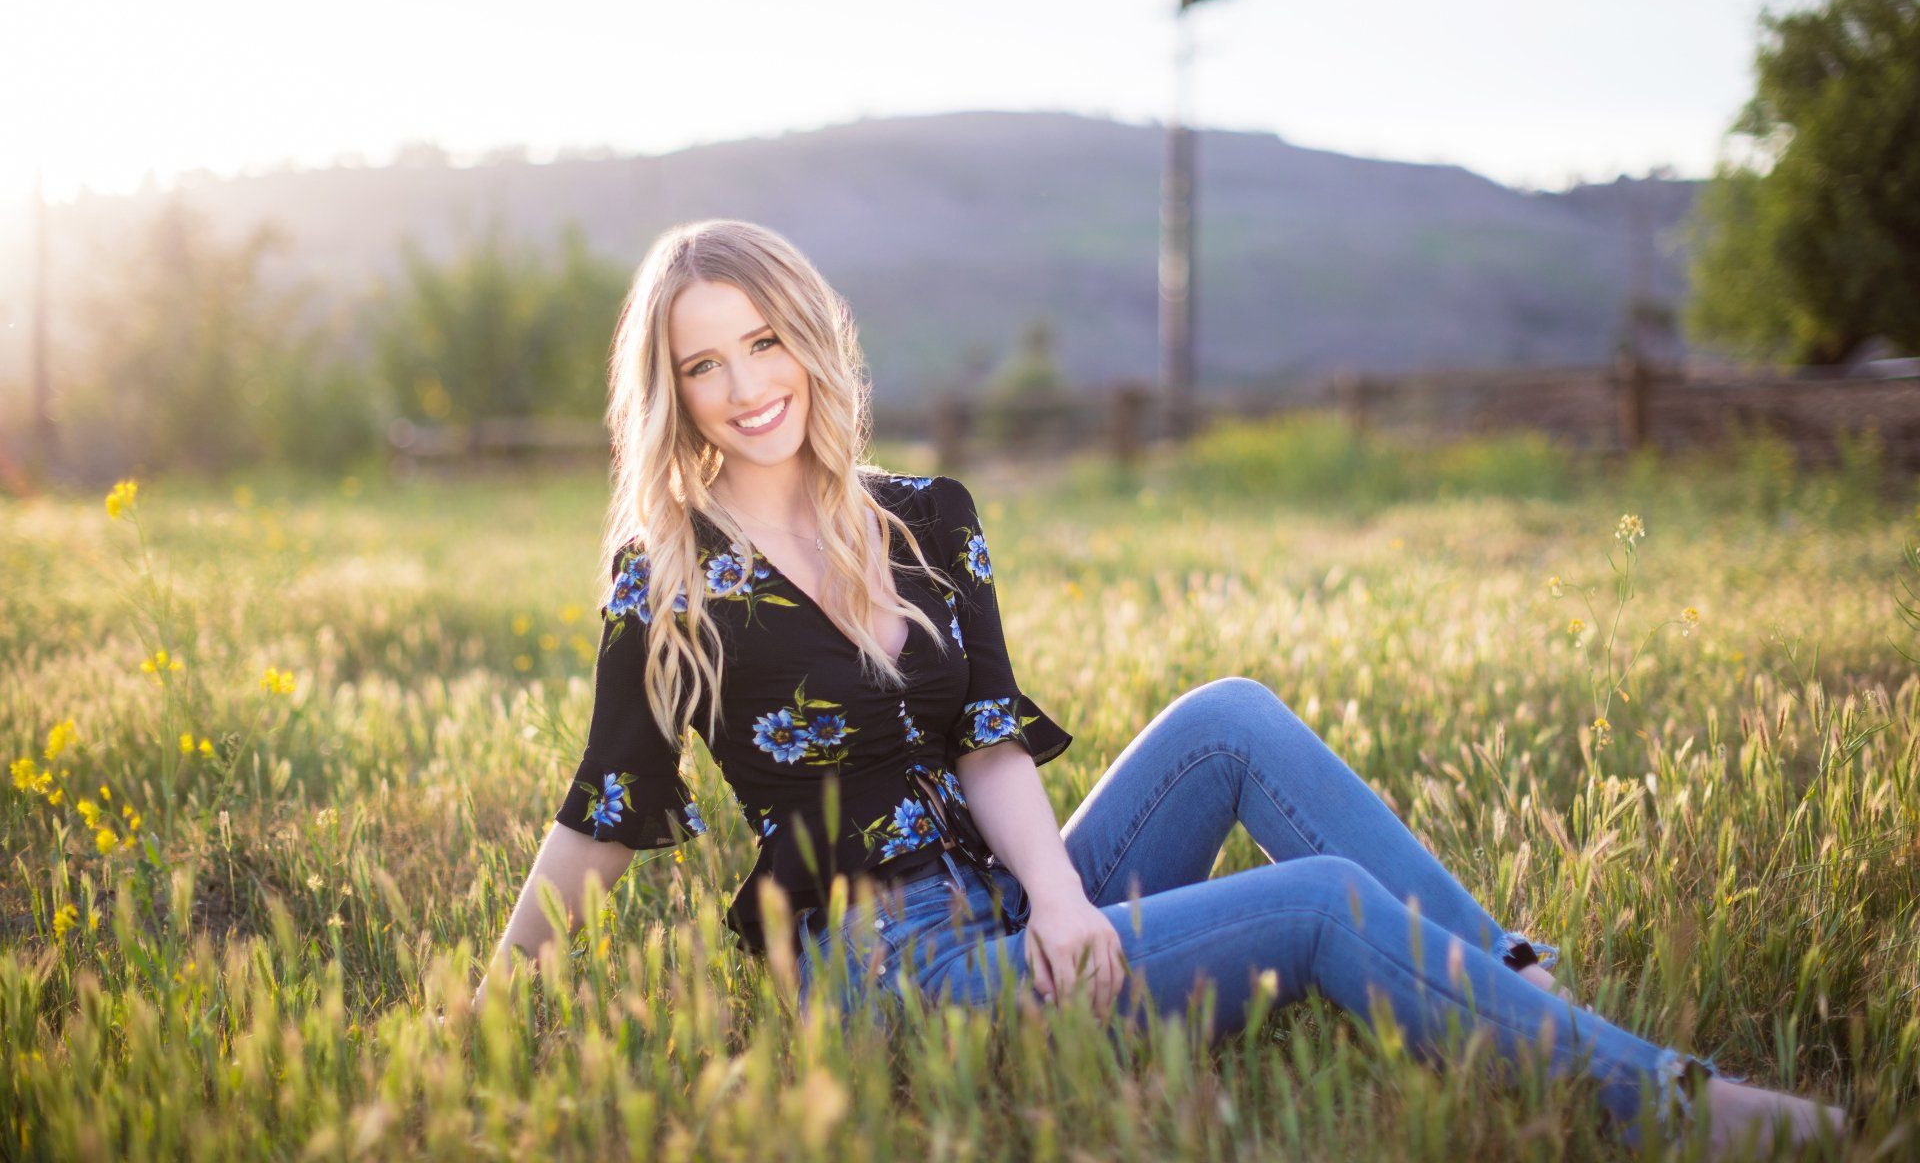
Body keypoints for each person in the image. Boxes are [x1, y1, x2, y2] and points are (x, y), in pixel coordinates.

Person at [474, 218, 1847, 1157]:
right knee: (1319, 907)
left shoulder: (924, 514)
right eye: (702, 364)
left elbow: (990, 746)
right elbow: (603, 810)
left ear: (809, 340)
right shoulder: (669, 573)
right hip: (898, 980)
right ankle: (1671, 1106)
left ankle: (1511, 989)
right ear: (671, 389)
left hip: (1012, 898)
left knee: (1228, 719)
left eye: (761, 343)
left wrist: (1065, 898)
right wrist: (481, 1015)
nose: (742, 385)